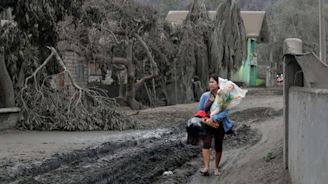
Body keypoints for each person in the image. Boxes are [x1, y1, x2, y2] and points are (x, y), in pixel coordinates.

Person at [198, 74, 233, 176]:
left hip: (219, 124)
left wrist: (213, 118)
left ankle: (216, 168)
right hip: (207, 124)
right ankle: (206, 168)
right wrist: (205, 119)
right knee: (206, 144)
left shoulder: (225, 96)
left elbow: (225, 112)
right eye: (210, 82)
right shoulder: (205, 96)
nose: (210, 84)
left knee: (218, 145)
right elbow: (200, 111)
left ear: (218, 84)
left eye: (213, 82)